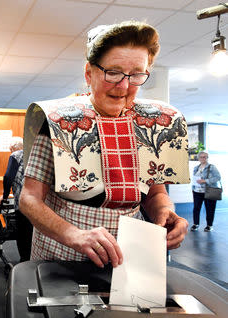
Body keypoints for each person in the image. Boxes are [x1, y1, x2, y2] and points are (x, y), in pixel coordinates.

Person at [19, 20, 190, 268]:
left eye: (136, 75)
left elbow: (156, 193)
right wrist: (74, 235)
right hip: (61, 257)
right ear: (89, 73)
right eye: (113, 72)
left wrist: (165, 212)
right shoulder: (59, 121)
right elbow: (29, 198)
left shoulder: (154, 123)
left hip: (128, 257)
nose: (123, 86)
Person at [0, 136, 33, 262]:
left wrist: (5, 195)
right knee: (32, 231)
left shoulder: (16, 155)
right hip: (37, 200)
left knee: (22, 232)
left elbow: (8, 177)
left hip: (23, 202)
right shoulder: (31, 153)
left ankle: (24, 261)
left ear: (13, 148)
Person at [191, 151, 221, 232]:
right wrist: (193, 188)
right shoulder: (196, 168)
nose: (203, 158)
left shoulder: (212, 167)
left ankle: (209, 225)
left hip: (209, 191)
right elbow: (195, 179)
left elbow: (218, 177)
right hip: (197, 191)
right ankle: (195, 224)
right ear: (198, 158)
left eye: (205, 157)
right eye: (201, 157)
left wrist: (205, 181)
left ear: (207, 158)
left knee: (210, 209)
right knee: (196, 208)